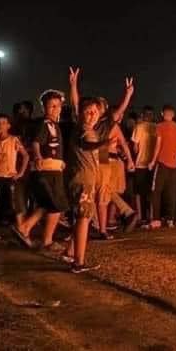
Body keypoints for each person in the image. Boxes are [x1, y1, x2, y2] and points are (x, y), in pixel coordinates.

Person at [67, 67, 135, 238]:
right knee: (93, 195)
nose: (93, 112)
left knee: (103, 193)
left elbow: (119, 113)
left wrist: (128, 95)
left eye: (98, 108)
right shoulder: (85, 122)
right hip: (85, 162)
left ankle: (102, 228)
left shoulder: (106, 124)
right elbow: (76, 104)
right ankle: (96, 226)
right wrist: (74, 84)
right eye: (90, 110)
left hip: (101, 158)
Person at [12, 90, 69, 250]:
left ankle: (25, 228)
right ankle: (46, 239)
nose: (55, 109)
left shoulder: (54, 125)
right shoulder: (46, 124)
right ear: (44, 107)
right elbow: (37, 143)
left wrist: (61, 161)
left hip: (54, 167)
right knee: (57, 204)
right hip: (48, 170)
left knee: (47, 203)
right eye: (51, 106)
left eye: (57, 106)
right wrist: (37, 157)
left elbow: (52, 146)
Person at [63, 96, 112, 272]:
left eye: (94, 112)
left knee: (81, 217)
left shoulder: (81, 128)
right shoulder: (85, 131)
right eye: (88, 112)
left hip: (80, 178)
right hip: (83, 179)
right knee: (84, 218)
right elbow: (87, 145)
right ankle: (79, 262)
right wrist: (102, 143)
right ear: (81, 114)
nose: (91, 115)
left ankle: (70, 252)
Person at [0, 114, 29, 229]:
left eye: (3, 123)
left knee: (16, 200)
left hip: (10, 175)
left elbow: (26, 156)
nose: (0, 125)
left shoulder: (14, 140)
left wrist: (21, 173)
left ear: (8, 125)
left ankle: (21, 228)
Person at [149, 105, 176, 227]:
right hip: (174, 164)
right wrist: (175, 149)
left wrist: (153, 161)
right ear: (173, 115)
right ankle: (170, 219)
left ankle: (156, 219)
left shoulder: (159, 126)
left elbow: (158, 145)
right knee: (171, 192)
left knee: (156, 191)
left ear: (162, 114)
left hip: (162, 162)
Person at [132, 106, 156, 225]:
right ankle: (151, 215)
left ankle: (140, 216)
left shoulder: (138, 127)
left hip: (140, 163)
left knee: (138, 191)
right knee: (151, 191)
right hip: (153, 163)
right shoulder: (157, 127)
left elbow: (135, 148)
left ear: (143, 114)